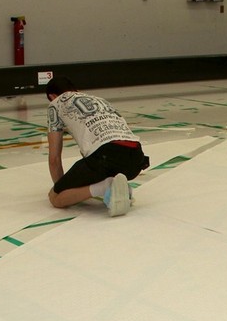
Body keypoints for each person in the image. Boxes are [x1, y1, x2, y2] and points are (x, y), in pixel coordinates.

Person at [44, 76, 149, 216]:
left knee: (55, 198)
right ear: (76, 90)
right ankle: (120, 189)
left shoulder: (55, 104)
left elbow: (54, 159)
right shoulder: (99, 100)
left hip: (106, 155)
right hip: (135, 159)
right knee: (98, 167)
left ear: (52, 96)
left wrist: (61, 189)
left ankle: (106, 187)